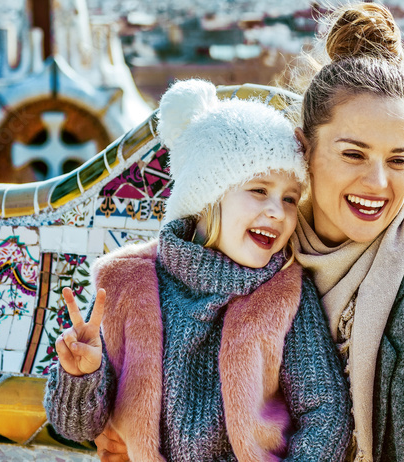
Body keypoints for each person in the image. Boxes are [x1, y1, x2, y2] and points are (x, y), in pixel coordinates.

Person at [94, 3, 404, 462]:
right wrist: (125, 422)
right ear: (306, 150)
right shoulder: (253, 246)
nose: (378, 184)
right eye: (354, 155)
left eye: (398, 160)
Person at [43, 79, 352, 461]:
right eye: (259, 190)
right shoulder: (127, 283)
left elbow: (325, 413)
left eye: (290, 198)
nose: (278, 211)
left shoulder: (285, 293)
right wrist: (81, 376)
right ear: (205, 195)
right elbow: (75, 427)